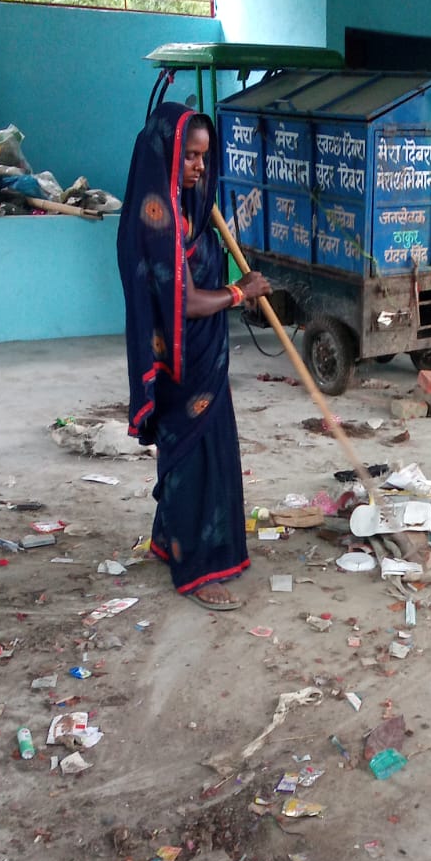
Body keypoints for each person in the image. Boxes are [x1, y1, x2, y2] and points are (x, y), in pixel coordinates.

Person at [117, 102, 271, 608]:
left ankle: (170, 543)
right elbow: (185, 304)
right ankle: (196, 571)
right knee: (193, 462)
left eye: (204, 156)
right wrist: (241, 292)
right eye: (189, 156)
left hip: (206, 358)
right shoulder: (158, 218)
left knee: (211, 454)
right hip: (182, 367)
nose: (200, 167)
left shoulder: (189, 209)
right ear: (166, 153)